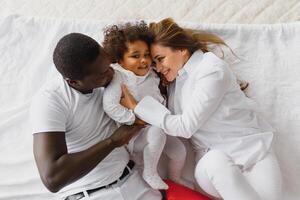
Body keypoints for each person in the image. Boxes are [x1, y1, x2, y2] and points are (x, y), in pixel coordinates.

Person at [120, 18, 282, 200]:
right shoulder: (172, 83)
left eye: (160, 59)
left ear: (181, 49)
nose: (158, 68)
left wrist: (138, 106)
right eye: (155, 63)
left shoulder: (211, 69)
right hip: (211, 165)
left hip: (255, 153)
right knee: (217, 160)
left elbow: (185, 127)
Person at [30, 33, 162, 200]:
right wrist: (112, 142)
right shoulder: (51, 100)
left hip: (134, 181)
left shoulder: (111, 74)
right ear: (74, 82)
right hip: (91, 193)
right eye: (102, 73)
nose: (111, 72)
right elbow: (52, 178)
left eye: (108, 64)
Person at [102, 21, 187, 190]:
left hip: (157, 125)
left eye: (147, 54)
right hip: (136, 133)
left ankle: (175, 179)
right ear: (120, 59)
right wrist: (134, 120)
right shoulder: (120, 76)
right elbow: (110, 105)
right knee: (156, 133)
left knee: (180, 152)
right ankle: (149, 172)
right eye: (135, 56)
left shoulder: (152, 73)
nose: (144, 60)